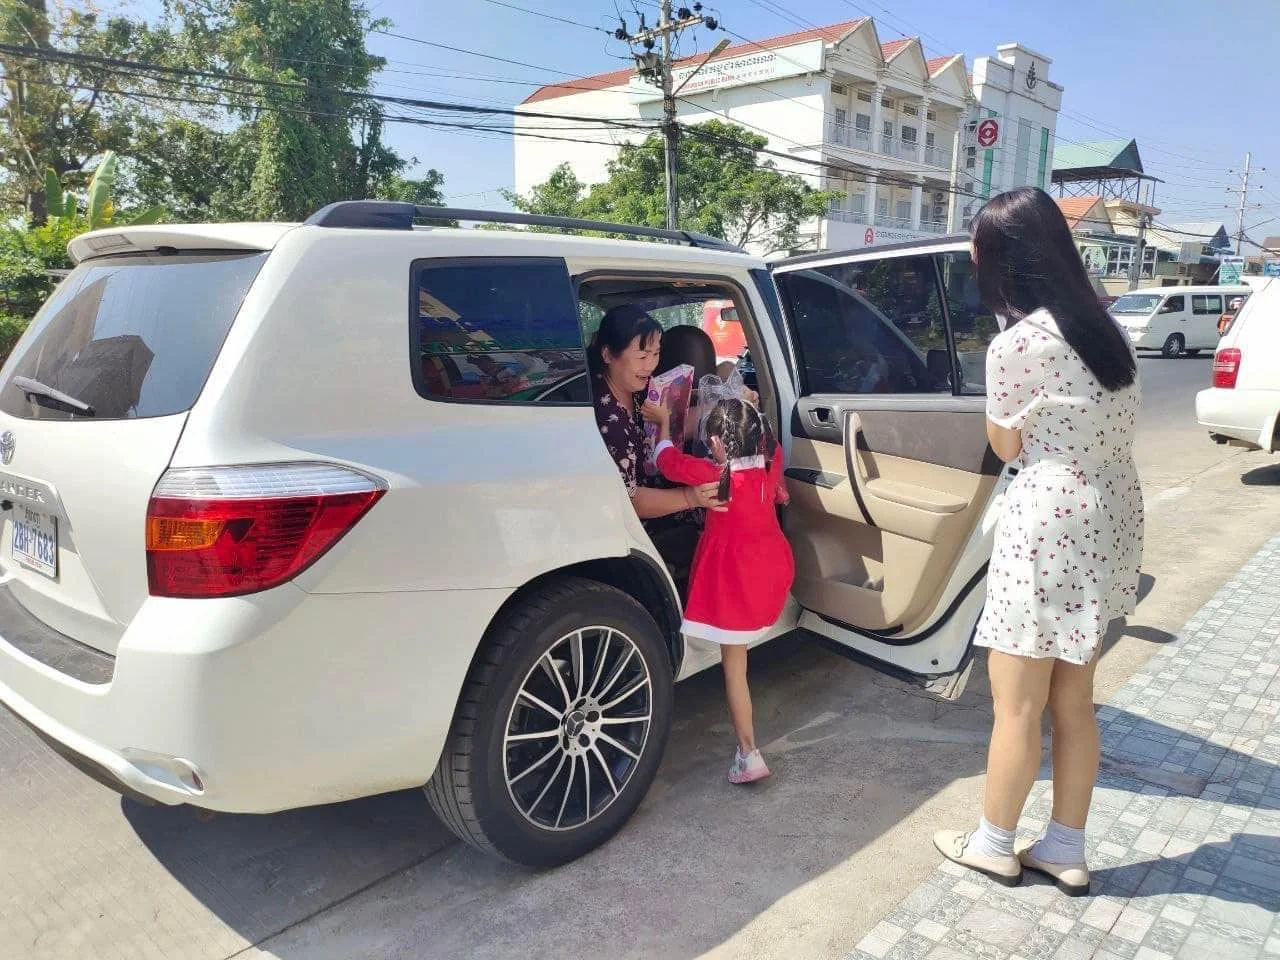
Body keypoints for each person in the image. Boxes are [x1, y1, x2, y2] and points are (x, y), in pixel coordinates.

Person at [933, 187, 1144, 896]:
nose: (971, 254)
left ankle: (995, 842)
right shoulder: (1107, 331)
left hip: (1048, 517)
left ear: (1004, 259)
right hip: (1109, 509)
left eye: (978, 246)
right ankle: (1066, 847)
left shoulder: (1017, 344)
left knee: (1016, 702)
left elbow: (1004, 442)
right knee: (1074, 701)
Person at [643, 395, 794, 784]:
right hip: (767, 569)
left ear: (715, 445)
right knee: (741, 654)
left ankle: (749, 752)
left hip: (732, 583)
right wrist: (749, 408)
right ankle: (746, 752)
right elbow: (772, 444)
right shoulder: (768, 465)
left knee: (734, 667)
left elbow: (666, 461)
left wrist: (663, 424)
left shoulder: (713, 476)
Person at [590, 304, 725, 520]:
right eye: (642, 357)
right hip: (636, 530)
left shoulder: (639, 389)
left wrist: (723, 407)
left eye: (656, 354)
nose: (651, 365)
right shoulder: (605, 417)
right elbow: (628, 501)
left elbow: (674, 424)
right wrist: (690, 498)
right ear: (608, 355)